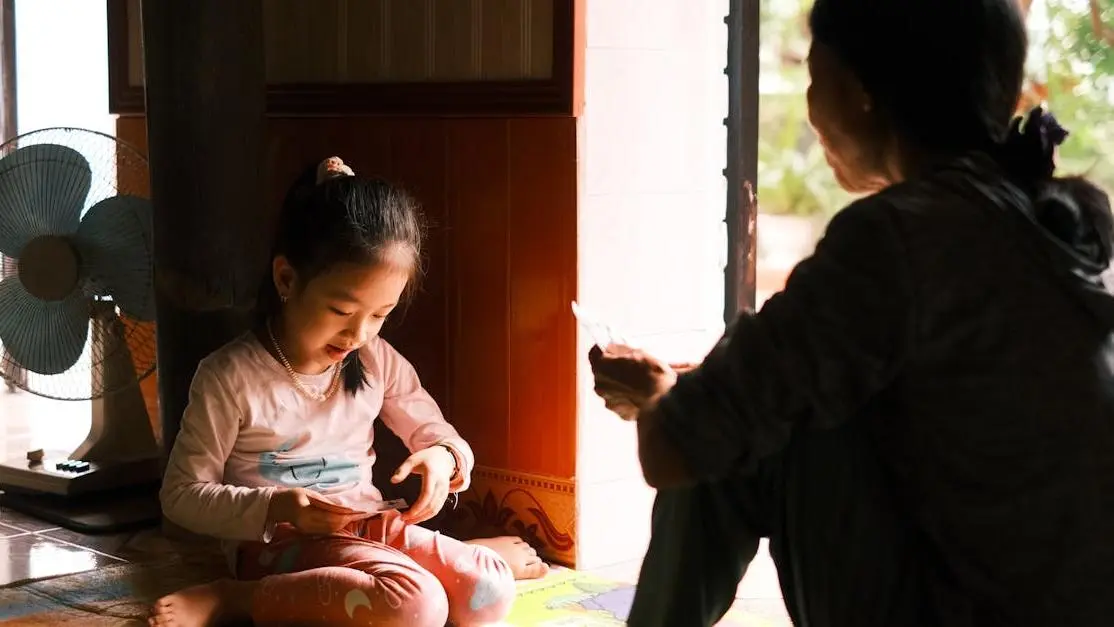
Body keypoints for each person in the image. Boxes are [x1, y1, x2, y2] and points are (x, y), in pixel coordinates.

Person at [589, 0, 1114, 625]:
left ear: (861, 92)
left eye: (814, 76)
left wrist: (660, 397)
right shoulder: (1042, 218)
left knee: (735, 434)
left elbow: (678, 447)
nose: (810, 112)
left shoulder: (899, 236)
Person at [148, 157, 547, 627]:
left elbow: (435, 430)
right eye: (341, 310)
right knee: (416, 606)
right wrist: (276, 506)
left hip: (370, 527)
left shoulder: (376, 359)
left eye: (380, 314)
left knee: (490, 589)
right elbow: (181, 495)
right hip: (279, 547)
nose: (359, 333)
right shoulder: (229, 377)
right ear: (286, 279)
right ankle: (235, 598)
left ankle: (444, 564)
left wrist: (443, 458)